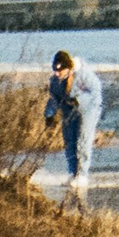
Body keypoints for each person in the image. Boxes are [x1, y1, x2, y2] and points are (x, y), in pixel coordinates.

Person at [44, 50, 104, 193]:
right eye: (55, 70)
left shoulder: (84, 74)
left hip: (88, 110)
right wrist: (49, 115)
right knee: (69, 141)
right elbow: (54, 98)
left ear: (69, 68)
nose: (57, 74)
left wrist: (79, 100)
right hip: (68, 111)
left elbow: (96, 92)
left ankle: (82, 174)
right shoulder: (54, 81)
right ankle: (72, 172)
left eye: (60, 70)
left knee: (83, 141)